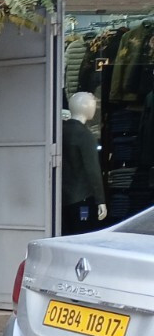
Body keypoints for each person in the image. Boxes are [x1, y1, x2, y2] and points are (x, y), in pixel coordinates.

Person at [62, 91, 107, 234]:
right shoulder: (85, 135)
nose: (94, 109)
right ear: (86, 107)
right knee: (82, 234)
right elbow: (92, 170)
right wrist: (101, 200)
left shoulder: (61, 130)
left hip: (63, 196)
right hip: (81, 197)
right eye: (93, 105)